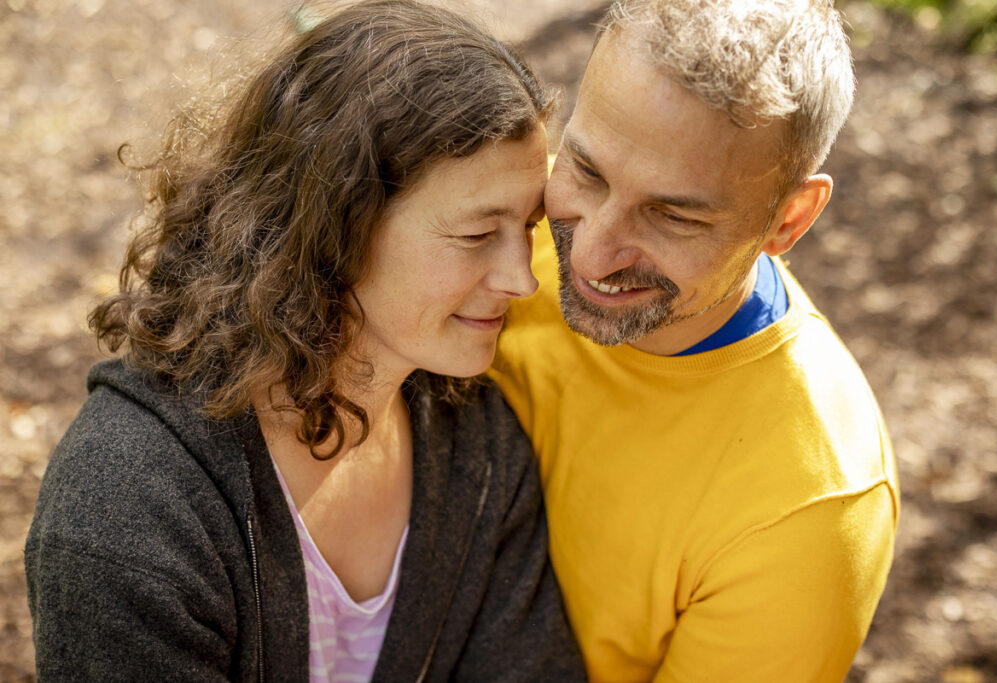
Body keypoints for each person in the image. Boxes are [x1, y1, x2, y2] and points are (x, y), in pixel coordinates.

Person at [24, 2, 586, 680]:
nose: (523, 278)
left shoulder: (477, 447)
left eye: (526, 225)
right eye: (475, 234)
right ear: (336, 226)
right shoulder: (131, 507)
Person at [489, 0, 900, 680]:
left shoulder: (811, 511)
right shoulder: (497, 223)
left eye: (673, 215)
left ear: (788, 219)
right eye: (587, 171)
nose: (590, 255)